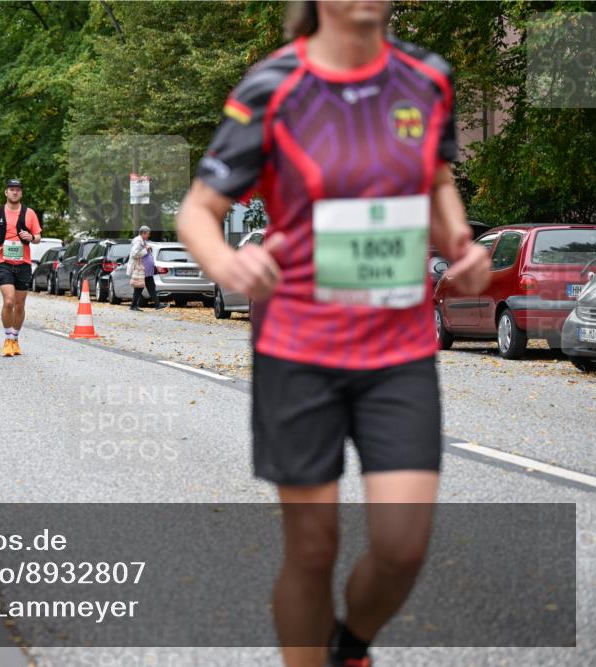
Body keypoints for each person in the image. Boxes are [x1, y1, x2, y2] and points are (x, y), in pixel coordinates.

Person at [176, 2, 491, 666]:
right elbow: (198, 213)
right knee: (313, 546)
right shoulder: (273, 87)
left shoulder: (426, 78)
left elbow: (434, 180)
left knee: (403, 545)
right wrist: (229, 262)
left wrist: (461, 245)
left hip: (398, 350)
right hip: (299, 348)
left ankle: (351, 647)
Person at [0, 179, 42, 356]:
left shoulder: (29, 213)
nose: (14, 192)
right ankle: (8, 338)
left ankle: (15, 339)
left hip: (23, 262)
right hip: (3, 262)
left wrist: (31, 237)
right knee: (8, 301)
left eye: (17, 190)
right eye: (11, 189)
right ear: (6, 192)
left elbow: (38, 236)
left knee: (20, 305)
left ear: (21, 193)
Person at [127, 225, 168, 311]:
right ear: (143, 233)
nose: (149, 235)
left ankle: (156, 304)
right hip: (142, 269)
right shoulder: (138, 241)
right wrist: (146, 250)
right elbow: (134, 254)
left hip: (146, 269)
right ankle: (135, 306)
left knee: (149, 286)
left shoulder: (143, 240)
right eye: (148, 234)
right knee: (140, 287)